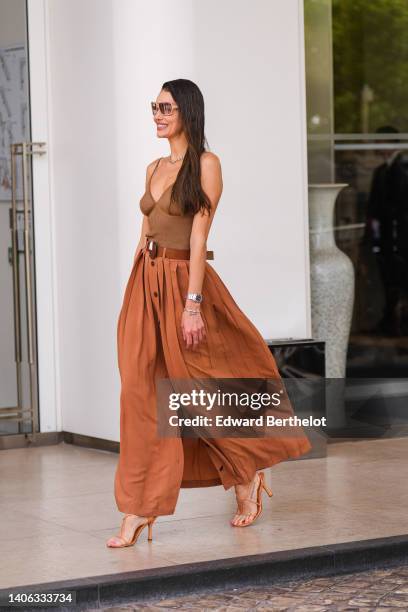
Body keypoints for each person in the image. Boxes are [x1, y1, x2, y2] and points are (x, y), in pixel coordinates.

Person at [106, 78, 312, 548]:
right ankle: (140, 508)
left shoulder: (207, 164)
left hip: (184, 284)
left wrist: (192, 305)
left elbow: (198, 237)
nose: (157, 115)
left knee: (198, 389)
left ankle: (247, 472)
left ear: (188, 113)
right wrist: (132, 289)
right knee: (140, 395)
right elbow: (145, 230)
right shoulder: (154, 165)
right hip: (146, 284)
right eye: (153, 107)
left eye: (166, 108)